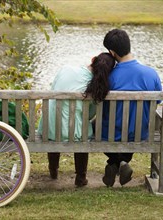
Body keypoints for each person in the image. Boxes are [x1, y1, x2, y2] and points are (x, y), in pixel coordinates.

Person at [37, 53, 115, 187]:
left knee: (57, 122)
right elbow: (89, 115)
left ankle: (53, 170)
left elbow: (52, 92)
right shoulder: (97, 87)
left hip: (47, 129)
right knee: (82, 129)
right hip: (74, 134)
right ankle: (80, 177)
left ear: (92, 60)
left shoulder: (65, 69)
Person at [101, 29, 162, 187]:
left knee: (98, 126)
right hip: (139, 133)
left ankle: (114, 162)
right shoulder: (151, 74)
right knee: (132, 126)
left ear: (112, 52)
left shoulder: (109, 76)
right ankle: (122, 161)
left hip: (111, 134)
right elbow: (158, 104)